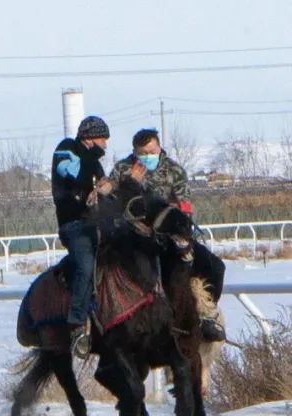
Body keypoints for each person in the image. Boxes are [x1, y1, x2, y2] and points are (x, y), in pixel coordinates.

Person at [110, 128, 226, 341]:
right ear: (135, 152)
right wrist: (130, 184)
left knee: (216, 267)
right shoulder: (122, 170)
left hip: (169, 237)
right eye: (143, 153)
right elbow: (113, 205)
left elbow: (184, 207)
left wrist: (176, 216)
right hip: (135, 239)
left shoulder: (174, 171)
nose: (148, 157)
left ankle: (207, 317)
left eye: (151, 152)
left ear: (159, 148)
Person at [52, 115, 114, 357]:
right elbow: (73, 173)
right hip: (74, 226)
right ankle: (77, 324)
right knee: (87, 266)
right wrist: (92, 158)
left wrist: (106, 189)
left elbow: (102, 189)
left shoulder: (95, 163)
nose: (105, 145)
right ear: (89, 138)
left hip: (96, 224)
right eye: (102, 139)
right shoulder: (66, 149)